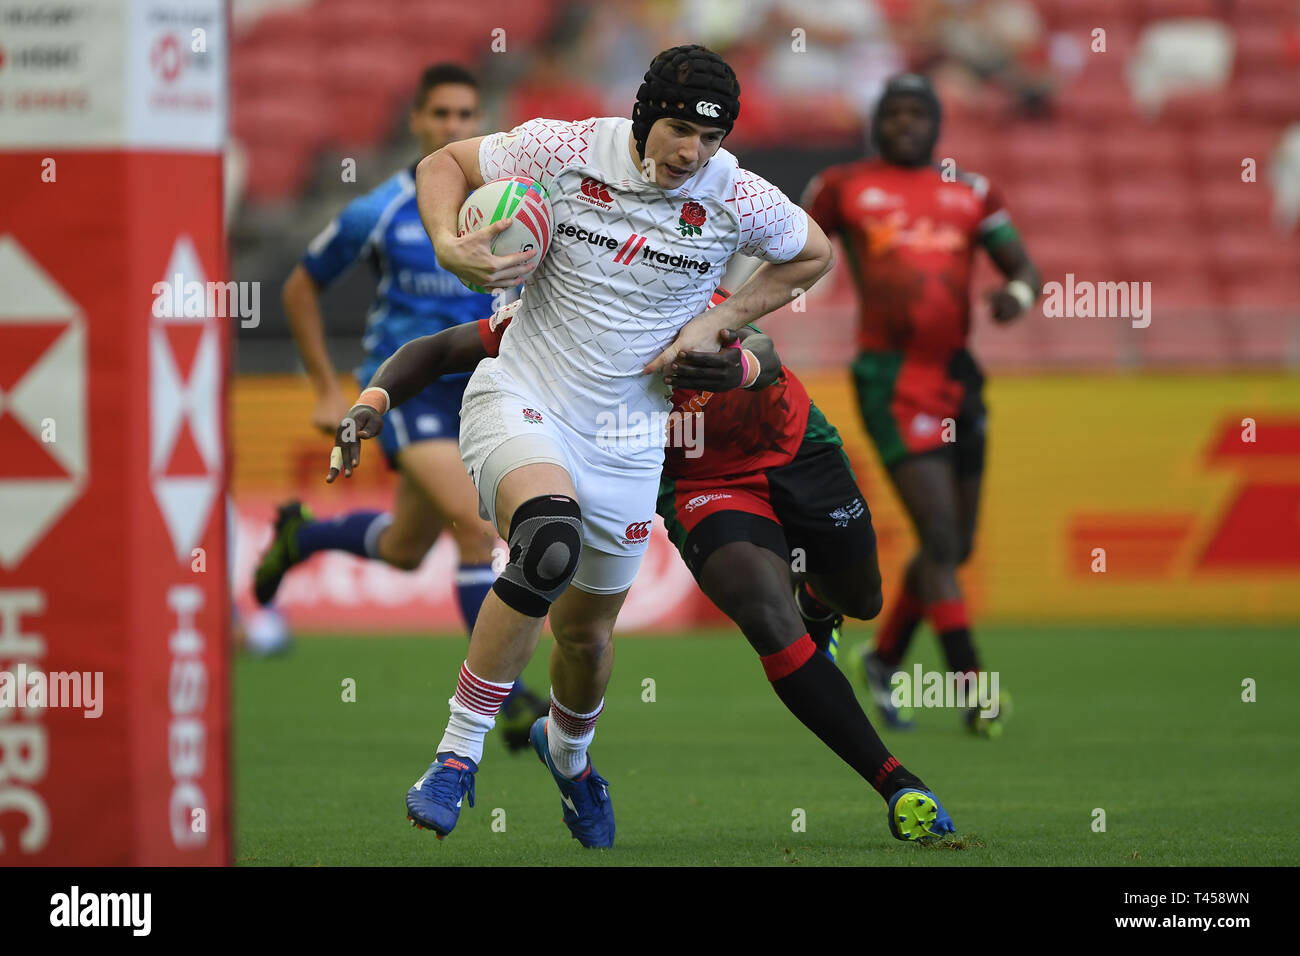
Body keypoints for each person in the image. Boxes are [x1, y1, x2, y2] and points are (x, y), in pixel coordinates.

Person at [399, 44, 834, 847]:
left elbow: (814, 254)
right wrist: (446, 242)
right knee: (547, 541)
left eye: (708, 139)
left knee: (587, 637)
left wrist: (719, 322)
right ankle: (455, 756)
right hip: (524, 395)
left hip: (630, 438)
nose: (689, 153)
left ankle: (569, 755)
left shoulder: (734, 192)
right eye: (676, 131)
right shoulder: (565, 149)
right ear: (643, 119)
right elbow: (444, 164)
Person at [328, 288, 956, 842]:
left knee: (860, 597)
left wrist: (735, 365)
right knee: (761, 615)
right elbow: (442, 350)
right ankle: (899, 784)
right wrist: (373, 401)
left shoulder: (686, 294)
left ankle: (819, 605)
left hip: (794, 449)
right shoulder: (564, 314)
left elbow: (762, 350)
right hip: (697, 487)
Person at [252, 63, 547, 748]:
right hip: (407, 391)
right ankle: (506, 700)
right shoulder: (378, 209)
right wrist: (328, 387)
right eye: (440, 115)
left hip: (480, 391)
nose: (452, 127)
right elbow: (300, 287)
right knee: (477, 535)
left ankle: (303, 536)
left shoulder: (513, 209)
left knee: (407, 548)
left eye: (465, 116)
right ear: (416, 119)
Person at [802, 73, 1040, 734]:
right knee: (936, 535)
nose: (905, 122)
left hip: (960, 375)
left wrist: (1015, 299)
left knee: (954, 544)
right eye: (894, 111)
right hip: (891, 376)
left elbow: (1024, 270)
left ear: (936, 124)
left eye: (917, 112)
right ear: (878, 122)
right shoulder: (842, 186)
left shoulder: (972, 192)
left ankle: (881, 661)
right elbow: (789, 247)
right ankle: (974, 691)